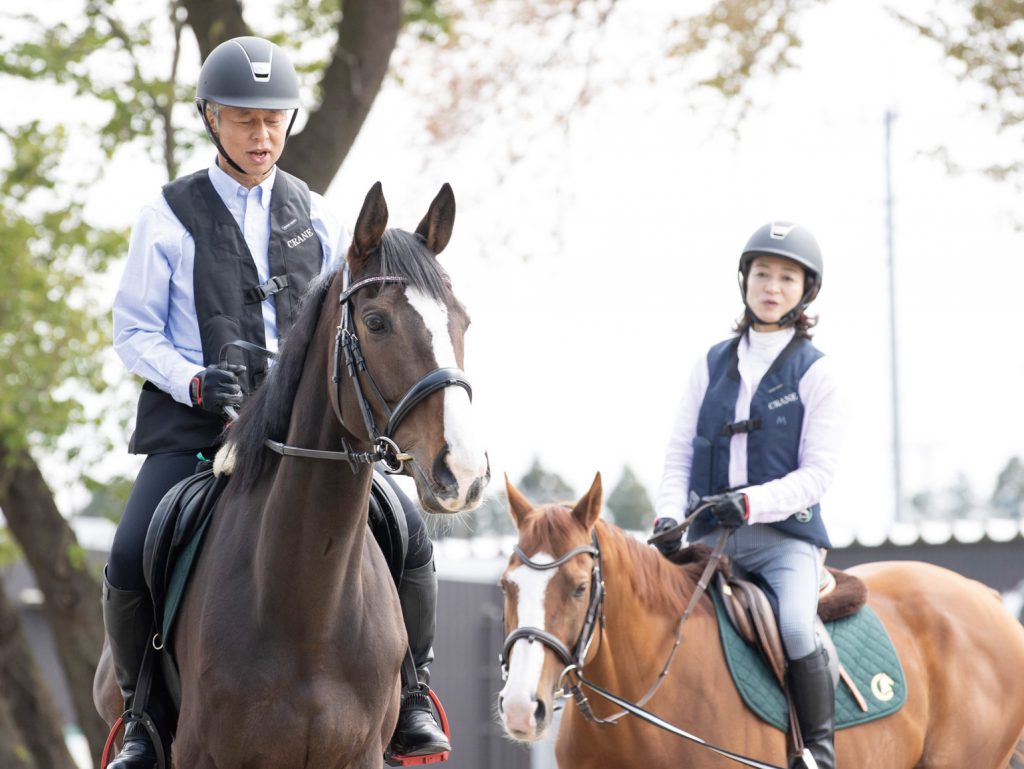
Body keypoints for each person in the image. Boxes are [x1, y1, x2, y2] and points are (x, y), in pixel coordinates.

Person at [106, 36, 448, 769]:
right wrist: (192, 380)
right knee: (133, 549)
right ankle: (142, 716)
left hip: (302, 437)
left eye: (274, 120)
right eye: (243, 120)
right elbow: (133, 330)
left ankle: (412, 692)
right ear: (210, 119)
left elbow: (343, 330)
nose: (262, 136)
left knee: (410, 534)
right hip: (199, 433)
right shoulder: (166, 216)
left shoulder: (321, 218)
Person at [651, 221, 840, 769]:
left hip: (785, 542)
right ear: (745, 281)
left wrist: (753, 502)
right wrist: (668, 515)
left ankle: (819, 752)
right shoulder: (709, 364)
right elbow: (679, 452)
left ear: (805, 291)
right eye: (763, 274)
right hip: (711, 539)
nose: (772, 287)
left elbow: (819, 472)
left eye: (786, 277)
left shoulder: (817, 371)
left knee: (798, 625)